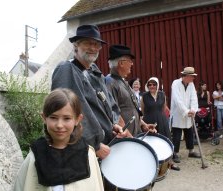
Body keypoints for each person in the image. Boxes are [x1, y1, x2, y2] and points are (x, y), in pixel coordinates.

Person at [51, 25, 127, 160]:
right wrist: (94, 145)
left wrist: (112, 124)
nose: (93, 48)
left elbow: (108, 103)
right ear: (76, 46)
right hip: (84, 150)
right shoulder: (67, 70)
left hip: (105, 144)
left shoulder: (95, 73)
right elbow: (66, 113)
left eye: (96, 44)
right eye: (87, 43)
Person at [13, 88, 104, 191]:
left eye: (67, 118)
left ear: (77, 119)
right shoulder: (36, 156)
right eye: (53, 117)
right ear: (44, 118)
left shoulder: (87, 155)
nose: (59, 125)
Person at [105, 44, 156, 136]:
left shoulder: (122, 81)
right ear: (121, 63)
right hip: (125, 140)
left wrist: (143, 125)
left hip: (133, 136)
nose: (132, 64)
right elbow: (114, 114)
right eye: (130, 60)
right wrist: (130, 138)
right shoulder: (110, 83)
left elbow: (132, 109)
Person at [141, 77, 180, 171]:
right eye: (149, 84)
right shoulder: (144, 96)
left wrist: (161, 117)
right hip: (149, 120)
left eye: (154, 84)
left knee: (166, 139)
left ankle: (169, 162)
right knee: (152, 141)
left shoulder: (162, 94)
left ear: (157, 85)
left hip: (162, 120)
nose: (152, 86)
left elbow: (164, 107)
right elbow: (142, 109)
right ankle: (153, 163)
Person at [170, 66, 201, 163]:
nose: (193, 78)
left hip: (189, 112)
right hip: (178, 113)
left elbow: (194, 98)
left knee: (189, 132)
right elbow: (177, 100)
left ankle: (191, 151)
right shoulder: (175, 83)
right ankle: (175, 153)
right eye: (192, 76)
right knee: (177, 133)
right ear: (186, 76)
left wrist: (193, 110)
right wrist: (186, 111)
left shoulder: (191, 84)